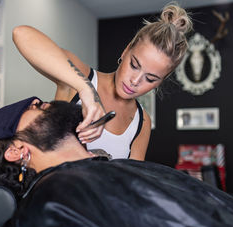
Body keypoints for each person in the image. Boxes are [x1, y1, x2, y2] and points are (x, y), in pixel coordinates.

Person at [0, 97, 233, 227]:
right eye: (37, 107)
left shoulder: (94, 174)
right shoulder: (62, 191)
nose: (48, 102)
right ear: (15, 150)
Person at [12, 2, 192, 160]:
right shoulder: (81, 76)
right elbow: (21, 34)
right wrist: (86, 90)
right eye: (134, 65)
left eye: (151, 78)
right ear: (126, 50)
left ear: (161, 80)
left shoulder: (141, 121)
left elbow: (130, 181)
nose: (135, 81)